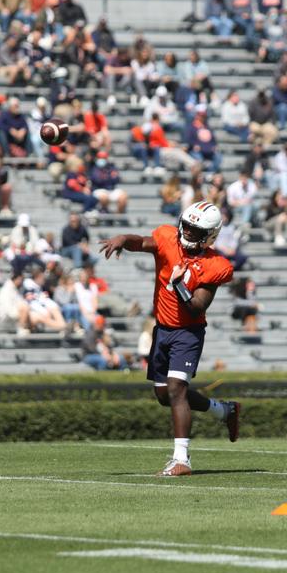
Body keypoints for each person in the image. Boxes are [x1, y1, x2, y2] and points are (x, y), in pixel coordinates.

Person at [99, 202, 239, 477]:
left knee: (176, 389)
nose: (186, 231)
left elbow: (197, 306)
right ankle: (224, 411)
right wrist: (122, 239)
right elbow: (141, 242)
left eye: (194, 229)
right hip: (162, 329)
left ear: (209, 235)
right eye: (185, 225)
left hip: (187, 332)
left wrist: (178, 285)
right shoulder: (167, 239)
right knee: (165, 394)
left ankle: (181, 460)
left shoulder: (215, 265)